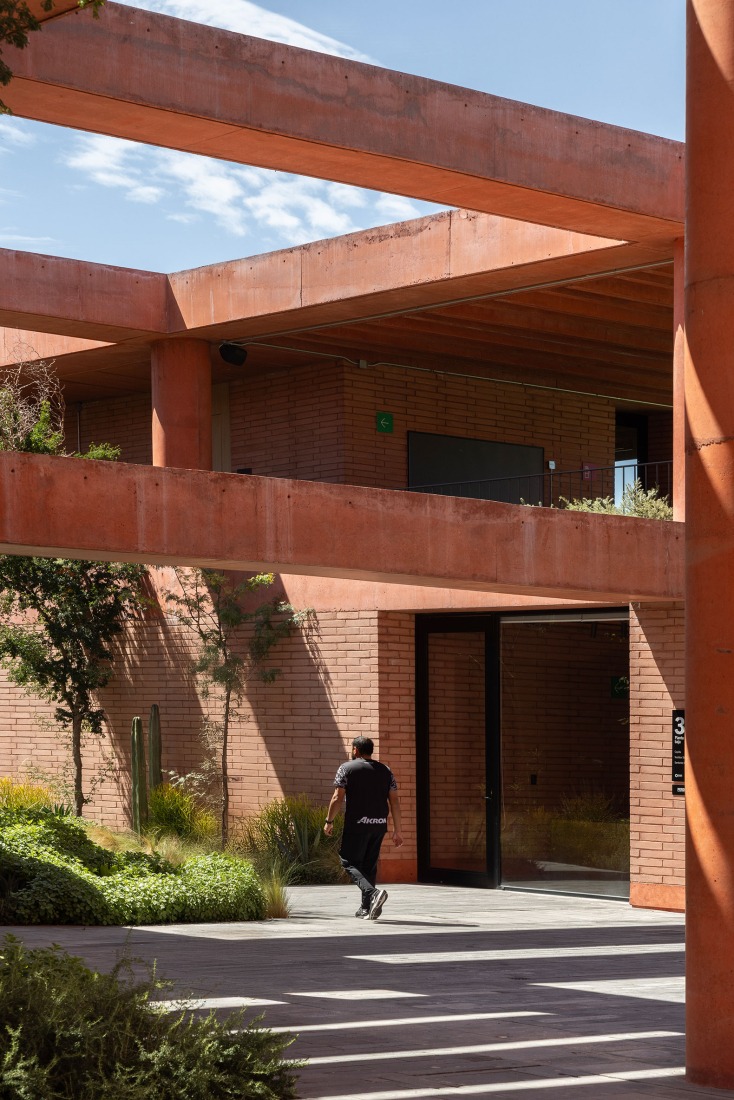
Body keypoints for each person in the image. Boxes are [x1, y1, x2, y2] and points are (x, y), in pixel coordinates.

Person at [324, 736, 403, 919]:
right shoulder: (386, 770)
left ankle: (373, 893)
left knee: (348, 861)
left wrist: (329, 821)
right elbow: (395, 801)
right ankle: (366, 909)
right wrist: (397, 830)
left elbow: (337, 797)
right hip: (378, 825)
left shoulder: (346, 768)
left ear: (356, 750)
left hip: (357, 824)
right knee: (369, 865)